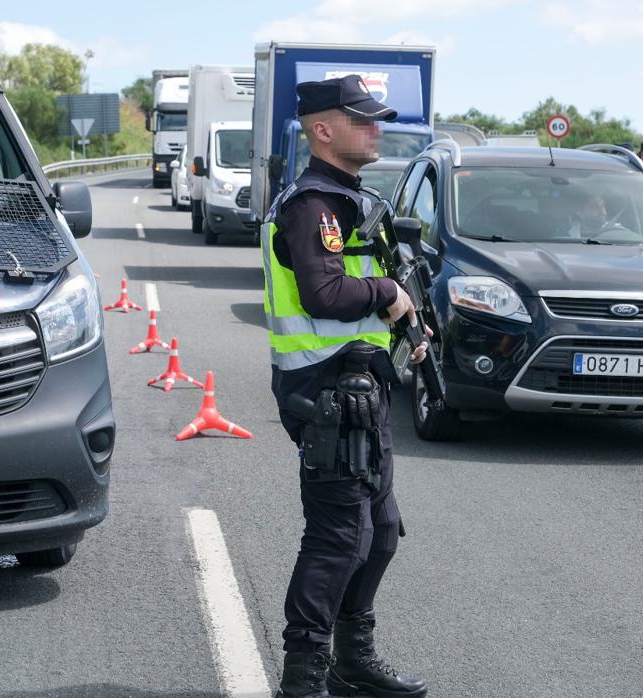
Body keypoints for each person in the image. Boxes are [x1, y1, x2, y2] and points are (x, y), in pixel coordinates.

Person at [260, 74, 430, 698]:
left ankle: (352, 657)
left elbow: (360, 284)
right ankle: (303, 678)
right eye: (362, 120)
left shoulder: (346, 199)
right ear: (323, 130)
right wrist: (388, 293)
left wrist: (407, 320)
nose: (375, 129)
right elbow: (323, 294)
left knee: (379, 532)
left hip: (361, 386)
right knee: (338, 537)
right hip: (325, 391)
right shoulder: (312, 205)